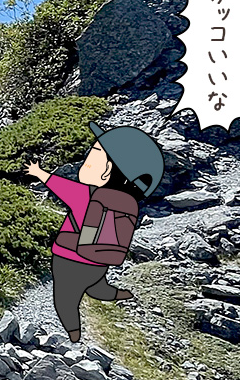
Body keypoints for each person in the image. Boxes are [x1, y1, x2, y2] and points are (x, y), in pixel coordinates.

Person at [25, 121, 165, 343]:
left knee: (64, 299)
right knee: (95, 283)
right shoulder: (129, 202)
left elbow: (56, 184)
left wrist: (37, 171)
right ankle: (114, 293)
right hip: (102, 259)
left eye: (95, 153)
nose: (88, 158)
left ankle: (73, 333)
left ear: (107, 171)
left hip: (69, 258)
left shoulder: (85, 194)